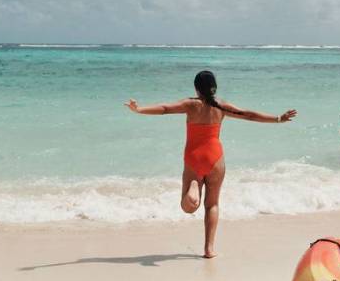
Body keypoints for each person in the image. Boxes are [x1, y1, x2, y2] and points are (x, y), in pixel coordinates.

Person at [125, 70, 297, 258]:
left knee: (188, 207)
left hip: (194, 157)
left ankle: (193, 186)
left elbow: (165, 108)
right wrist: (278, 118)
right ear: (214, 88)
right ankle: (209, 249)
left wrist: (139, 109)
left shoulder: (191, 104)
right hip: (216, 158)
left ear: (196, 88)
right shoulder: (221, 106)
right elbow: (249, 115)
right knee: (212, 204)